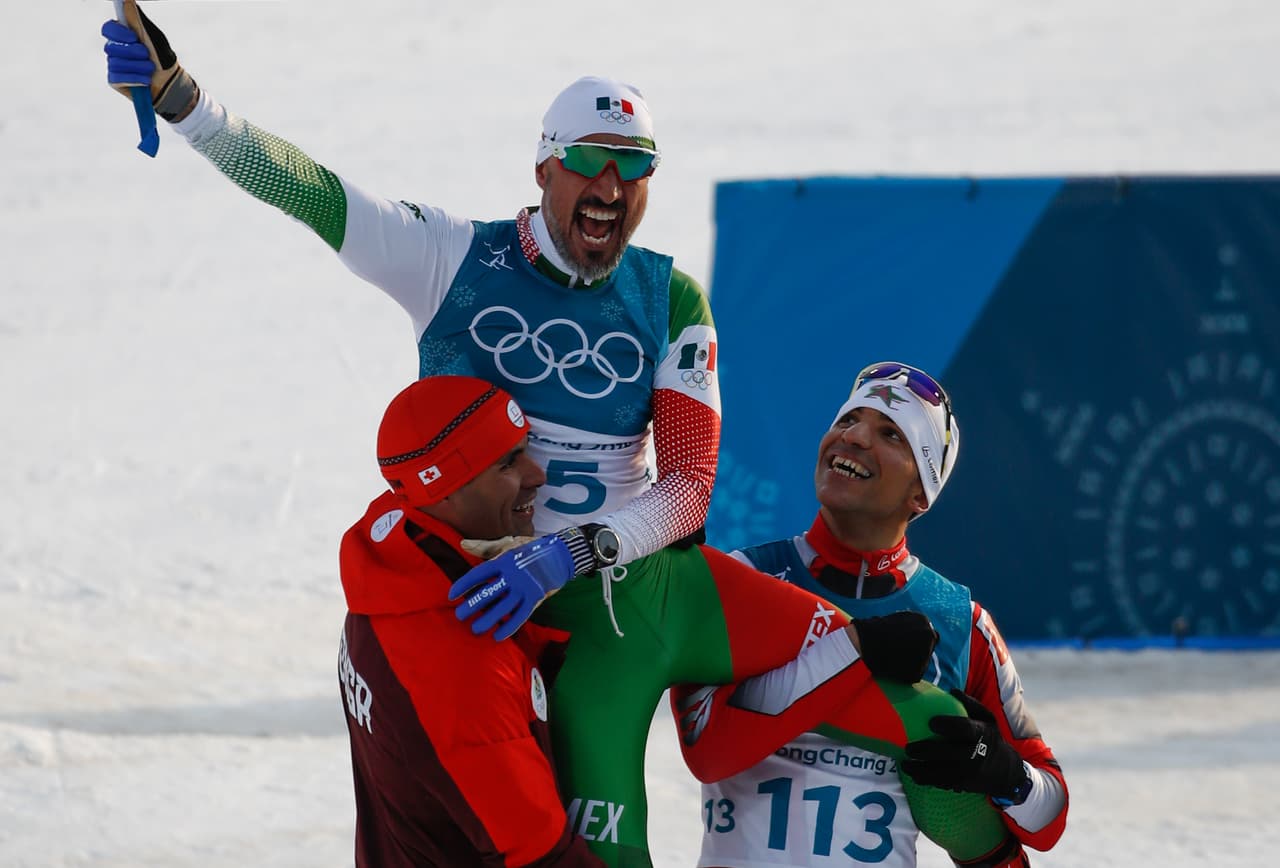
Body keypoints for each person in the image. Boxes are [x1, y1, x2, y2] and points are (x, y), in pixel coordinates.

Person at [101, 14, 1009, 865]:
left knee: (885, 678)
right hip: (517, 620)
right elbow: (310, 191)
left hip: (641, 588)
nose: (611, 187)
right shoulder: (450, 258)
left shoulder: (669, 297)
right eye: (589, 161)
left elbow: (690, 488)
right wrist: (185, 99)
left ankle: (1004, 824)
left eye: (635, 167)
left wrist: (569, 553)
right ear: (544, 168)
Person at [672, 363, 1069, 867]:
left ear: (921, 493)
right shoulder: (739, 578)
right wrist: (853, 650)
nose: (854, 437)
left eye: (890, 433)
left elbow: (1050, 816)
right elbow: (706, 749)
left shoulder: (958, 622)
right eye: (846, 420)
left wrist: (1005, 772)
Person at [337, 374, 605, 866]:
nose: (537, 474)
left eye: (525, 449)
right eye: (507, 462)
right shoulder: (461, 659)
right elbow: (541, 854)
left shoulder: (392, 569)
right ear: (445, 490)